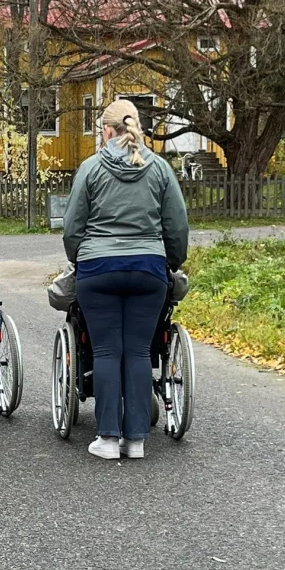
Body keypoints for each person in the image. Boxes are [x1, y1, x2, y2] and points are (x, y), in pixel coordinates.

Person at [63, 98, 189, 461]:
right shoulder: (161, 169)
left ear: (106, 130)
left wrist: (79, 260)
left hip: (98, 270)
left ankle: (107, 438)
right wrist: (171, 262)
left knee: (105, 350)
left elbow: (73, 227)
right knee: (137, 351)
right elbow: (177, 227)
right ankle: (136, 441)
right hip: (148, 269)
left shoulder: (90, 169)